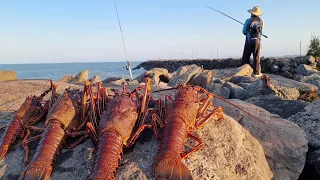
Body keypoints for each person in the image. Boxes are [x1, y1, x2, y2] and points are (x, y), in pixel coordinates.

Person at [241, 6, 264, 77]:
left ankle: (243, 72)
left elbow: (244, 31)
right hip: (257, 41)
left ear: (252, 13)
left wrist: (248, 33)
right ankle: (256, 73)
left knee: (246, 56)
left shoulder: (248, 20)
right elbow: (261, 32)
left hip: (249, 41)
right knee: (256, 57)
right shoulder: (261, 21)